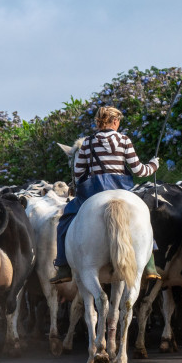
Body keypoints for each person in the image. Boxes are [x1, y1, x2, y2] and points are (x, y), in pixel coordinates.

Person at [50, 105, 160, 285]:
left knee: (65, 219)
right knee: (144, 219)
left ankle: (62, 265)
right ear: (115, 121)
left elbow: (78, 174)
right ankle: (149, 264)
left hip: (94, 191)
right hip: (123, 190)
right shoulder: (124, 140)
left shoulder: (87, 143)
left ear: (99, 122)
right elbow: (139, 170)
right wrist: (154, 165)